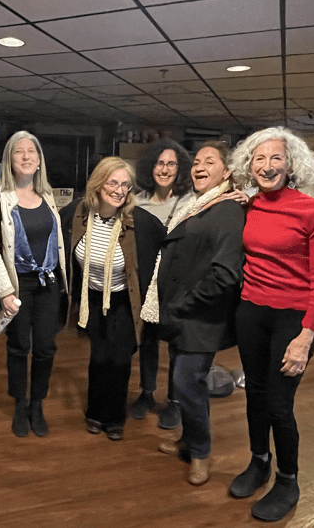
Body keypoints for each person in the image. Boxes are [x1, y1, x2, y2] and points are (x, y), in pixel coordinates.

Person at [228, 127, 314, 522]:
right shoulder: (250, 205)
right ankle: (259, 461)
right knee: (254, 395)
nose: (267, 165)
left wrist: (306, 336)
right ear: (249, 165)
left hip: (293, 319)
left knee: (278, 403)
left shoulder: (313, 211)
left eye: (276, 158)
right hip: (251, 312)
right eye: (260, 158)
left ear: (291, 165)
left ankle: (288, 480)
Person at [140, 141, 244, 485]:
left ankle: (201, 452)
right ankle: (188, 440)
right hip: (182, 316)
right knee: (185, 384)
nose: (199, 166)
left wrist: (183, 304)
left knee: (187, 383)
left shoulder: (227, 210)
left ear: (226, 172)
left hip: (200, 317)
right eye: (197, 161)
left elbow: (225, 274)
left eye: (209, 162)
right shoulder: (199, 205)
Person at [61, 157, 163, 441]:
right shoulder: (77, 214)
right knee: (98, 356)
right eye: (113, 183)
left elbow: (168, 245)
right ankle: (95, 412)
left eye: (125, 185)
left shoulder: (140, 221)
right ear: (98, 184)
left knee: (119, 360)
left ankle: (115, 417)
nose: (119, 190)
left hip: (124, 301)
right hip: (92, 298)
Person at [0, 131, 67, 438]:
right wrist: (5, 292)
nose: (26, 156)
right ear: (9, 158)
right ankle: (20, 403)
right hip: (17, 285)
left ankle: (37, 404)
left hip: (48, 283)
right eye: (19, 151)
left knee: (45, 347)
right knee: (18, 346)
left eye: (32, 151)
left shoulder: (47, 195)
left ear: (39, 160)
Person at [131, 138, 195, 429]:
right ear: (151, 166)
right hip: (146, 282)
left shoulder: (191, 202)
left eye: (171, 164)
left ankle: (174, 401)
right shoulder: (136, 201)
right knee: (148, 340)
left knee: (176, 345)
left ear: (180, 169)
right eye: (160, 163)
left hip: (177, 283)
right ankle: (147, 393)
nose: (165, 169)